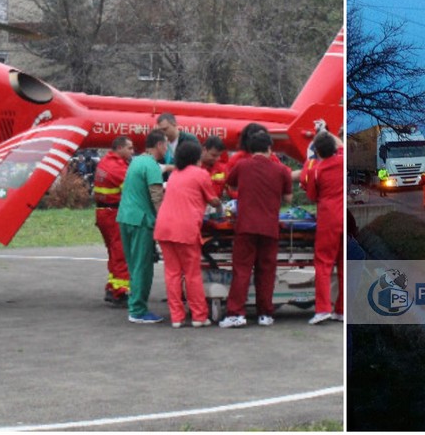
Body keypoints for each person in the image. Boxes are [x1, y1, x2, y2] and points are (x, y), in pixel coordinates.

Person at [218, 130, 293, 328]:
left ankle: (236, 313)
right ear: (270, 148)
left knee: (242, 270)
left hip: (245, 226)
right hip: (270, 227)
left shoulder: (242, 165)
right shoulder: (281, 170)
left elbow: (230, 183)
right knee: (266, 271)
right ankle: (265, 313)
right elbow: (288, 199)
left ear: (250, 149)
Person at [153, 140, 222, 328]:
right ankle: (199, 316)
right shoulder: (201, 174)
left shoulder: (175, 174)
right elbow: (212, 199)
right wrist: (219, 204)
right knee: (192, 273)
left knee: (172, 273)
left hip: (164, 227)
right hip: (185, 228)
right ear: (196, 156)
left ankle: (177, 317)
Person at [117, 129, 169, 324]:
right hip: (141, 221)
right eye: (166, 144)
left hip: (125, 218)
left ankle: (134, 305)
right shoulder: (152, 166)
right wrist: (166, 220)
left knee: (133, 265)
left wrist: (169, 167)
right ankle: (138, 310)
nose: (167, 148)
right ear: (159, 145)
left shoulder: (137, 161)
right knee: (143, 266)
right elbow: (156, 196)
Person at [304, 131, 345, 325]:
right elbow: (341, 145)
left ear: (317, 151)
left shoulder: (316, 169)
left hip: (328, 218)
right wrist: (325, 131)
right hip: (345, 217)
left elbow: (312, 196)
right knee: (343, 265)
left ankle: (322, 309)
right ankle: (342, 309)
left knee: (323, 263)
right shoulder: (343, 159)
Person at [93, 136, 134, 306]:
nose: (132, 151)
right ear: (120, 148)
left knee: (113, 251)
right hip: (113, 213)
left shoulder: (106, 161)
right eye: (130, 148)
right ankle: (120, 292)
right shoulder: (118, 168)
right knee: (120, 252)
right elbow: (133, 189)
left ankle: (112, 286)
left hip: (103, 212)